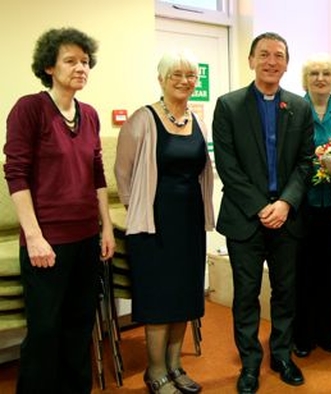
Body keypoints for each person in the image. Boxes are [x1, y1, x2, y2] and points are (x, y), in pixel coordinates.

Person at [3, 27, 115, 393]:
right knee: (45, 331)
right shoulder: (30, 109)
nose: (80, 67)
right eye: (71, 60)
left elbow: (97, 172)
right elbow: (15, 173)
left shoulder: (90, 114)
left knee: (79, 325)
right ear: (49, 66)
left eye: (85, 61)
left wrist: (107, 228)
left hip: (86, 239)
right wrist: (34, 238)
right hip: (47, 242)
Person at [212, 32, 314, 394]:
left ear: (287, 63)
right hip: (244, 218)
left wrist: (285, 202)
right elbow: (228, 165)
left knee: (286, 291)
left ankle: (282, 355)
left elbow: (305, 162)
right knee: (246, 293)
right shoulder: (228, 105)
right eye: (265, 55)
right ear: (251, 59)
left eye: (280, 56)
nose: (272, 62)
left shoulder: (299, 108)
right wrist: (260, 207)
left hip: (287, 216)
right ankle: (250, 363)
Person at [114, 50, 214, 394]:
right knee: (159, 299)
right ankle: (155, 370)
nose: (185, 81)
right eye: (177, 75)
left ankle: (175, 365)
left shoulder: (196, 119)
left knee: (185, 295)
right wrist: (137, 207)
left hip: (188, 224)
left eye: (191, 76)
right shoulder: (142, 119)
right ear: (161, 79)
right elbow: (122, 173)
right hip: (153, 226)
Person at [292, 53, 331, 359]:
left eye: (326, 73)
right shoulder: (293, 108)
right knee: (302, 271)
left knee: (330, 271)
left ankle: (328, 333)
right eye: (314, 73)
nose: (320, 78)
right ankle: (302, 335)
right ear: (306, 79)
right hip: (301, 204)